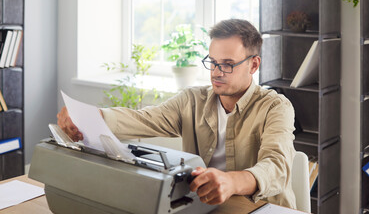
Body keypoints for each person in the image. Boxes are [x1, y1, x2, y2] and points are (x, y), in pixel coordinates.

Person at [57, 19, 296, 208]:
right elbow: (145, 119)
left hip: (261, 207)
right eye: (212, 62)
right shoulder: (192, 100)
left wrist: (231, 181)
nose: (215, 72)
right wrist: (91, 116)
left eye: (227, 64)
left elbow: (276, 166)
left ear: (254, 65)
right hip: (206, 206)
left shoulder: (276, 107)